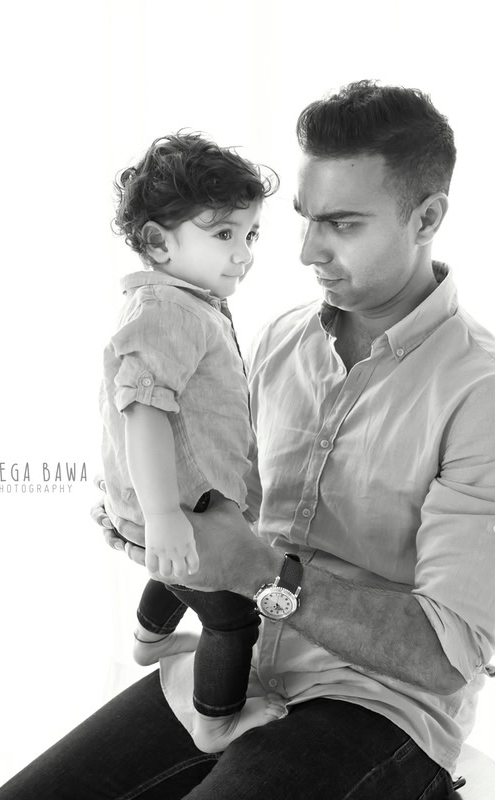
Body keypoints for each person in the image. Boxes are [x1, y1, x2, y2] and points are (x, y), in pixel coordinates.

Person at [0, 80, 495, 800]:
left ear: (427, 217)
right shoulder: (278, 340)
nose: (306, 250)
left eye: (343, 225)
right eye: (303, 218)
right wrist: (151, 512)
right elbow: (214, 484)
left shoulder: (494, 398)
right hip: (236, 672)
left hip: (374, 708)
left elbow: (448, 654)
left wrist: (264, 575)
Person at [97, 133, 283, 752]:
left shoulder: (187, 303)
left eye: (250, 234)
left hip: (174, 504)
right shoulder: (168, 309)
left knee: (177, 570)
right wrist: (162, 514)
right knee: (231, 612)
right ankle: (216, 722)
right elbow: (142, 410)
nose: (244, 253)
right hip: (175, 506)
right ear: (157, 242)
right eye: (224, 234)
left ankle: (150, 640)